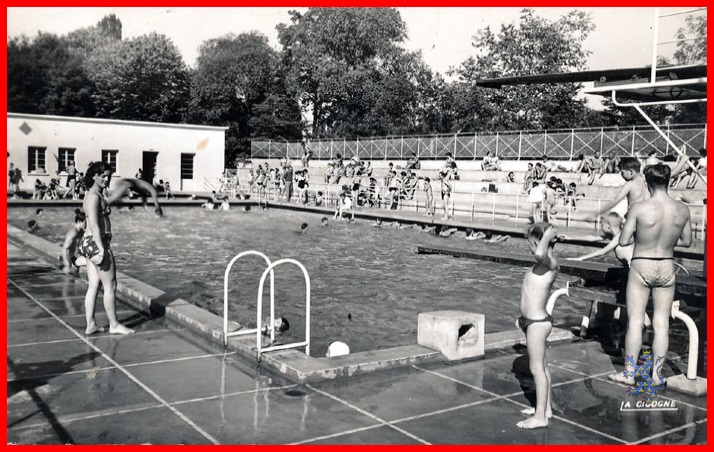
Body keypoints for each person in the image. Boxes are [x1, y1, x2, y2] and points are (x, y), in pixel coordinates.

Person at [608, 164, 692, 387]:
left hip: (642, 264)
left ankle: (628, 373)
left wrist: (642, 234)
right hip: (666, 265)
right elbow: (687, 241)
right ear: (669, 181)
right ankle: (656, 375)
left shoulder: (639, 208)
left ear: (647, 182)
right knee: (662, 323)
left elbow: (624, 241)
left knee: (635, 322)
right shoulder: (682, 209)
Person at [78, 162, 135, 335]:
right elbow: (94, 225)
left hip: (87, 242)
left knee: (93, 285)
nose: (106, 178)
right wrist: (102, 250)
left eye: (108, 175)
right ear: (93, 176)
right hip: (97, 243)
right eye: (102, 175)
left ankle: (91, 325)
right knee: (111, 285)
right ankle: (114, 324)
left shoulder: (91, 194)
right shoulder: (94, 197)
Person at [516, 222, 559, 429]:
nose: (530, 248)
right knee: (542, 366)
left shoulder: (550, 262)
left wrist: (545, 238)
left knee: (536, 369)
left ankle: (540, 417)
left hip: (538, 323)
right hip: (531, 322)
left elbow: (541, 253)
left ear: (540, 242)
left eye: (531, 244)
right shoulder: (540, 265)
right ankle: (546, 408)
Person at [61, 209, 88, 275]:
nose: (87, 225)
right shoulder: (73, 233)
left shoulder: (81, 232)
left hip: (76, 258)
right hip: (72, 259)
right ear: (79, 221)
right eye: (85, 222)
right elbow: (64, 249)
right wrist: (67, 265)